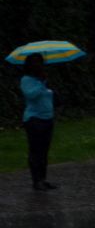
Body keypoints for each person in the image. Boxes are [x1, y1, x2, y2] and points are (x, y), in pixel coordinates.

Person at [20, 53, 57, 190]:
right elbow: (31, 95)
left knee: (44, 151)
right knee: (36, 151)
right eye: (35, 62)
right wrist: (41, 84)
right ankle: (36, 181)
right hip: (34, 120)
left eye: (40, 62)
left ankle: (43, 178)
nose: (38, 65)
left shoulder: (43, 80)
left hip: (48, 118)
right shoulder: (26, 80)